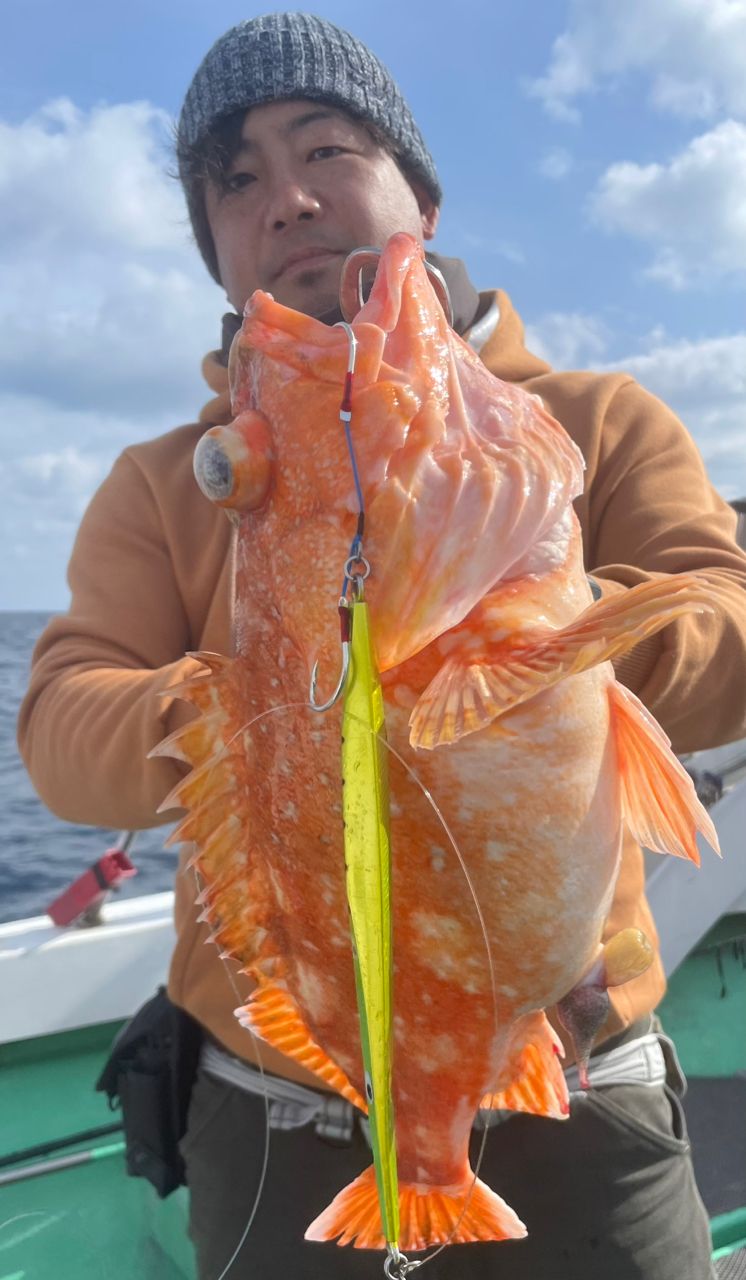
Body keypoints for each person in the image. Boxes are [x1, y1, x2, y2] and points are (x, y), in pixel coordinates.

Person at [18, 13, 746, 1280]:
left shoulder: (593, 421)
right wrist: (256, 720)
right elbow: (63, 730)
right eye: (234, 180)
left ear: (417, 186)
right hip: (282, 1091)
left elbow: (728, 627)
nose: (285, 198)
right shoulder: (162, 486)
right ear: (214, 246)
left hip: (576, 1060)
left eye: (326, 147)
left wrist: (537, 650)